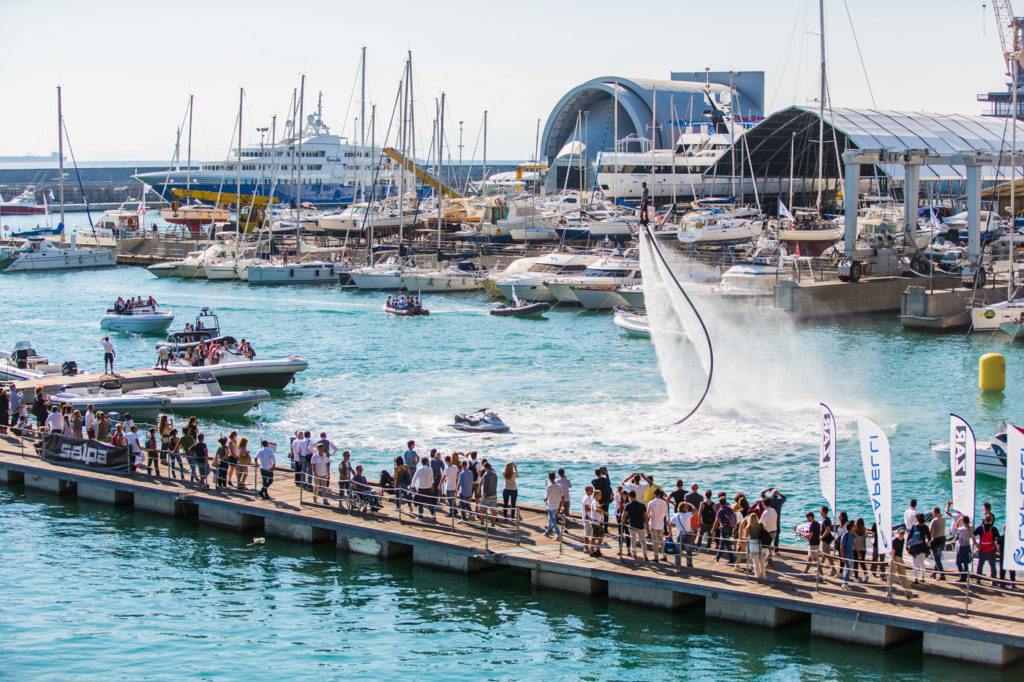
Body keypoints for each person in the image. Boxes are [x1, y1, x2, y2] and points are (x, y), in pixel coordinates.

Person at [974, 514, 1001, 585]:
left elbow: (973, 535)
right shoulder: (994, 528)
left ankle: (978, 580)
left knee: (980, 564)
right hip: (991, 549)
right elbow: (998, 538)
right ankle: (993, 580)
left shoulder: (980, 528)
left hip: (982, 549)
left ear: (984, 519)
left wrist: (976, 544)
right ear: (992, 520)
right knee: (992, 565)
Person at [711, 494, 737, 564]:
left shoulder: (721, 510)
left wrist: (713, 529)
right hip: (730, 527)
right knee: (723, 543)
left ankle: (731, 559)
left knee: (727, 544)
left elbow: (717, 521)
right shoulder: (730, 509)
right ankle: (717, 557)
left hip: (724, 528)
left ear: (720, 503)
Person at [906, 513, 932, 584]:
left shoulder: (914, 527)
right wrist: (926, 541)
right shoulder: (926, 527)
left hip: (915, 547)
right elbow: (929, 537)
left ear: (917, 519)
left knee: (915, 563)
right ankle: (923, 577)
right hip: (923, 547)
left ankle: (916, 578)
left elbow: (909, 537)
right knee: (922, 563)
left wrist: (907, 547)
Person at [760, 488, 786, 555]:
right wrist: (778, 493)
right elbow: (784, 497)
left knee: (767, 538)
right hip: (777, 521)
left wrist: (767, 489)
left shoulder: (769, 499)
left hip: (768, 521)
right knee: (776, 537)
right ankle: (776, 551)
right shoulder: (779, 501)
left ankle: (769, 552)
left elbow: (762, 494)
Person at [671, 501, 696, 568]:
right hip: (688, 534)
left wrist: (670, 532)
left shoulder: (676, 515)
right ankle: (689, 564)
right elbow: (695, 510)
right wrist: (690, 504)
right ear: (683, 508)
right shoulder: (687, 515)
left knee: (679, 550)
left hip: (680, 534)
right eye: (686, 507)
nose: (687, 508)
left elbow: (670, 523)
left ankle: (677, 563)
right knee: (689, 550)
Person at [647, 488, 670, 563]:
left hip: (653, 522)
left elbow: (648, 514)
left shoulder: (651, 503)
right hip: (661, 523)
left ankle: (656, 557)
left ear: (654, 494)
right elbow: (666, 514)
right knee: (661, 541)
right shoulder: (664, 503)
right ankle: (664, 556)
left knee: (655, 541)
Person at [623, 491, 648, 561]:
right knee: (643, 541)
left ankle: (634, 554)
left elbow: (624, 515)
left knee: (633, 540)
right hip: (640, 525)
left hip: (632, 525)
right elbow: (646, 516)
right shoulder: (642, 505)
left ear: (629, 497)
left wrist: (623, 522)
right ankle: (645, 554)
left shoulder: (628, 505)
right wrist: (647, 524)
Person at [891, 529, 916, 599]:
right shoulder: (894, 541)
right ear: (898, 533)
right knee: (891, 577)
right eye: (901, 533)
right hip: (894, 559)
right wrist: (896, 564)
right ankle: (888, 592)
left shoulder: (902, 540)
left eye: (903, 533)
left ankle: (909, 593)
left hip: (900, 558)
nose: (902, 535)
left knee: (903, 577)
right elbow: (893, 553)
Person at [543, 471, 564, 539]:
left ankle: (559, 534)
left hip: (550, 506)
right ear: (554, 477)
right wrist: (562, 505)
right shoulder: (559, 486)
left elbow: (547, 497)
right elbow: (562, 496)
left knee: (553, 520)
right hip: (557, 505)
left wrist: (544, 499)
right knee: (551, 519)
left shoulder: (549, 487)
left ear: (549, 478)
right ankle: (547, 532)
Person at [929, 506, 947, 580]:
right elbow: (942, 515)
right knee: (938, 557)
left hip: (936, 540)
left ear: (935, 513)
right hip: (942, 539)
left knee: (937, 559)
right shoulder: (944, 519)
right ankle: (934, 573)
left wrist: (929, 539)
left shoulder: (934, 521)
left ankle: (942, 575)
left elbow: (931, 532)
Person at [479, 462, 499, 527]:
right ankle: (493, 524)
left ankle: (482, 523)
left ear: (485, 467)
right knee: (493, 510)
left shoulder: (486, 475)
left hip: (487, 495)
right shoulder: (495, 474)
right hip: (494, 494)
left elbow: (485, 488)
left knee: (482, 509)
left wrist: (484, 498)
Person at [954, 514, 973, 582]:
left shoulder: (962, 529)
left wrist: (959, 520)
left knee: (958, 562)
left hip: (961, 546)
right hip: (967, 546)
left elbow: (955, 528)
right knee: (965, 562)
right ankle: (965, 576)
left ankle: (962, 576)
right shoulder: (971, 528)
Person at [589, 490, 607, 558]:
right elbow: (596, 509)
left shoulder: (597, 502)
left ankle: (598, 549)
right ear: (596, 495)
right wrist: (604, 512)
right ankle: (592, 551)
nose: (601, 496)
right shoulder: (595, 502)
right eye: (600, 494)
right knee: (594, 537)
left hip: (598, 522)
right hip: (595, 522)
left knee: (602, 534)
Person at [839, 521, 857, 589]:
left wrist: (858, 552)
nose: (855, 527)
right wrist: (842, 556)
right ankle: (844, 583)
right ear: (851, 527)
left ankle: (845, 582)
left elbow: (854, 543)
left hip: (851, 554)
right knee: (848, 569)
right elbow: (841, 546)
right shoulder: (845, 535)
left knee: (850, 569)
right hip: (846, 554)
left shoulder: (852, 535)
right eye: (854, 526)